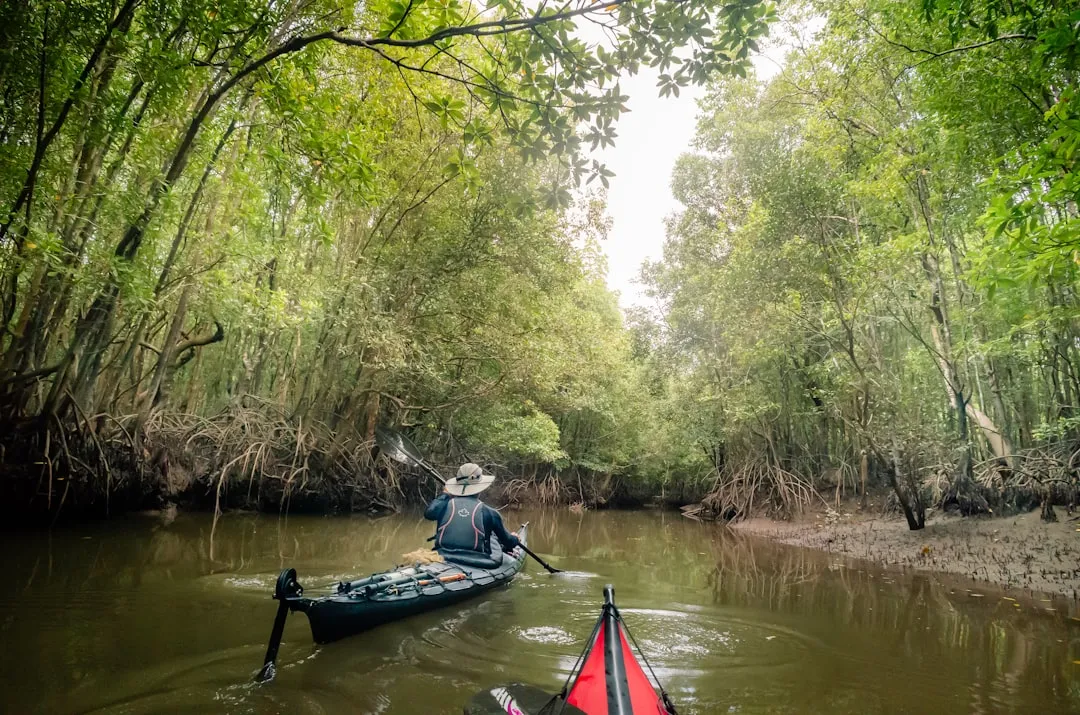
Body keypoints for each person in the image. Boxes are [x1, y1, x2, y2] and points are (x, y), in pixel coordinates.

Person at [424, 463, 520, 568]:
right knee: (495, 540)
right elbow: (508, 542)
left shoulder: (443, 506)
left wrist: (445, 494)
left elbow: (429, 513)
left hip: (442, 555)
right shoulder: (490, 513)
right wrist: (515, 539)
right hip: (478, 560)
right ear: (480, 488)